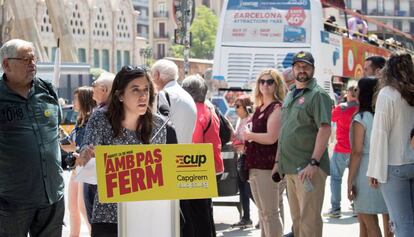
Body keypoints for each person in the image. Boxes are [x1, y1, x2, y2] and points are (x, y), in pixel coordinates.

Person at [78, 66, 167, 237]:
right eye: (135, 90)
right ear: (120, 95)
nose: (143, 96)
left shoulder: (158, 125)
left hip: (146, 216)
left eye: (146, 90)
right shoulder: (101, 119)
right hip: (108, 216)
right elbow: (85, 155)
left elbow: (161, 172)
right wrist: (85, 156)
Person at [0, 39, 65, 236]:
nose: (32, 64)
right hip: (12, 200)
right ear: (6, 64)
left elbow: (55, 132)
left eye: (33, 58)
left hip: (52, 195)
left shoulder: (47, 89)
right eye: (25, 59)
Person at [275, 51, 333, 237]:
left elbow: (324, 129)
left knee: (310, 220)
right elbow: (284, 131)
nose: (302, 70)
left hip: (308, 168)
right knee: (298, 220)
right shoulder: (290, 94)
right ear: (293, 69)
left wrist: (314, 162)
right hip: (290, 168)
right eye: (298, 66)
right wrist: (278, 163)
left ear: (313, 69)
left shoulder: (318, 95)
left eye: (306, 66)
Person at [368, 51, 414, 237]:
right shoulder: (411, 94)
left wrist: (374, 170)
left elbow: (380, 134)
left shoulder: (387, 94)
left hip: (394, 166)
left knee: (402, 225)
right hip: (411, 162)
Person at [243, 68, 285, 237]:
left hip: (267, 166)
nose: (265, 85)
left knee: (270, 213)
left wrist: (250, 135)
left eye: (270, 81)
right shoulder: (260, 107)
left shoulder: (276, 107)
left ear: (277, 85)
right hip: (254, 164)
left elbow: (271, 138)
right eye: (262, 81)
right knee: (263, 213)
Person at [181, 74, 223, 237]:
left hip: (199, 170)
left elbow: (193, 144)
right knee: (205, 211)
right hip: (213, 165)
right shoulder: (208, 108)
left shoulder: (195, 112)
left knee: (198, 215)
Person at [347, 78, 389, 237]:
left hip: (365, 170)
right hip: (384, 168)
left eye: (357, 89)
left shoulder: (361, 118)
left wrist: (349, 180)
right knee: (374, 221)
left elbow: (357, 151)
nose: (354, 92)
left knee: (369, 221)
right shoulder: (383, 115)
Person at [61, 86, 96, 236]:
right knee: (73, 208)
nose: (73, 102)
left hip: (85, 170)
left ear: (84, 100)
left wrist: (74, 149)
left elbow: (87, 149)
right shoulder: (80, 121)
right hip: (77, 169)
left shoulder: (92, 122)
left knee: (84, 211)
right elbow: (74, 145)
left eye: (76, 99)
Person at [84, 72, 115, 226]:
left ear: (103, 90)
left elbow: (89, 150)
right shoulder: (128, 113)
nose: (92, 89)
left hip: (97, 178)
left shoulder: (99, 115)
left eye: (94, 85)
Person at [325, 84, 358, 218]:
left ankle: (335, 209)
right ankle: (357, 207)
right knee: (356, 179)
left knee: (336, 178)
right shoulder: (362, 109)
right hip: (357, 150)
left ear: (348, 94)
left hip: (341, 149)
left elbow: (330, 119)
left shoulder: (341, 108)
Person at [151, 59, 197, 144]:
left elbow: (158, 129)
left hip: (169, 153)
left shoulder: (163, 95)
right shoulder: (187, 95)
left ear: (157, 75)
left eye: (152, 75)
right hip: (185, 152)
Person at [230, 95, 256, 228]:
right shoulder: (240, 120)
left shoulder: (251, 120)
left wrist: (243, 146)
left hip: (249, 158)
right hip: (242, 157)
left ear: (246, 107)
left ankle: (264, 214)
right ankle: (246, 217)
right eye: (235, 106)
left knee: (249, 189)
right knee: (242, 188)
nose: (236, 109)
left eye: (238, 106)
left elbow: (254, 141)